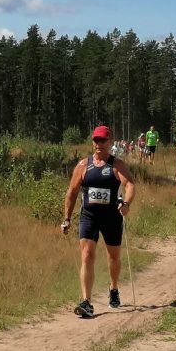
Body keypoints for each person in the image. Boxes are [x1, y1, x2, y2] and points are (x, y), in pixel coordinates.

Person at [62, 125, 136, 318]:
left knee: (113, 257)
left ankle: (114, 288)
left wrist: (126, 203)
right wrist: (67, 218)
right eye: (96, 140)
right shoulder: (83, 165)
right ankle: (86, 302)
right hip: (89, 216)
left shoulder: (116, 165)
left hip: (111, 217)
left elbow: (129, 185)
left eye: (103, 140)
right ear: (92, 142)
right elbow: (72, 192)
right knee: (87, 255)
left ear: (109, 142)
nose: (99, 144)